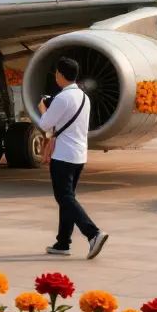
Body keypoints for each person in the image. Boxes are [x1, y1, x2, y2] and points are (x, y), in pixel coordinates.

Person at [37, 57, 109, 259]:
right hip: (78, 154)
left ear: (60, 74)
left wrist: (43, 108)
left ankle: (93, 233)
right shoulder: (84, 97)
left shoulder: (62, 98)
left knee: (64, 197)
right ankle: (63, 242)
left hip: (63, 155)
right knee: (67, 198)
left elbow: (45, 124)